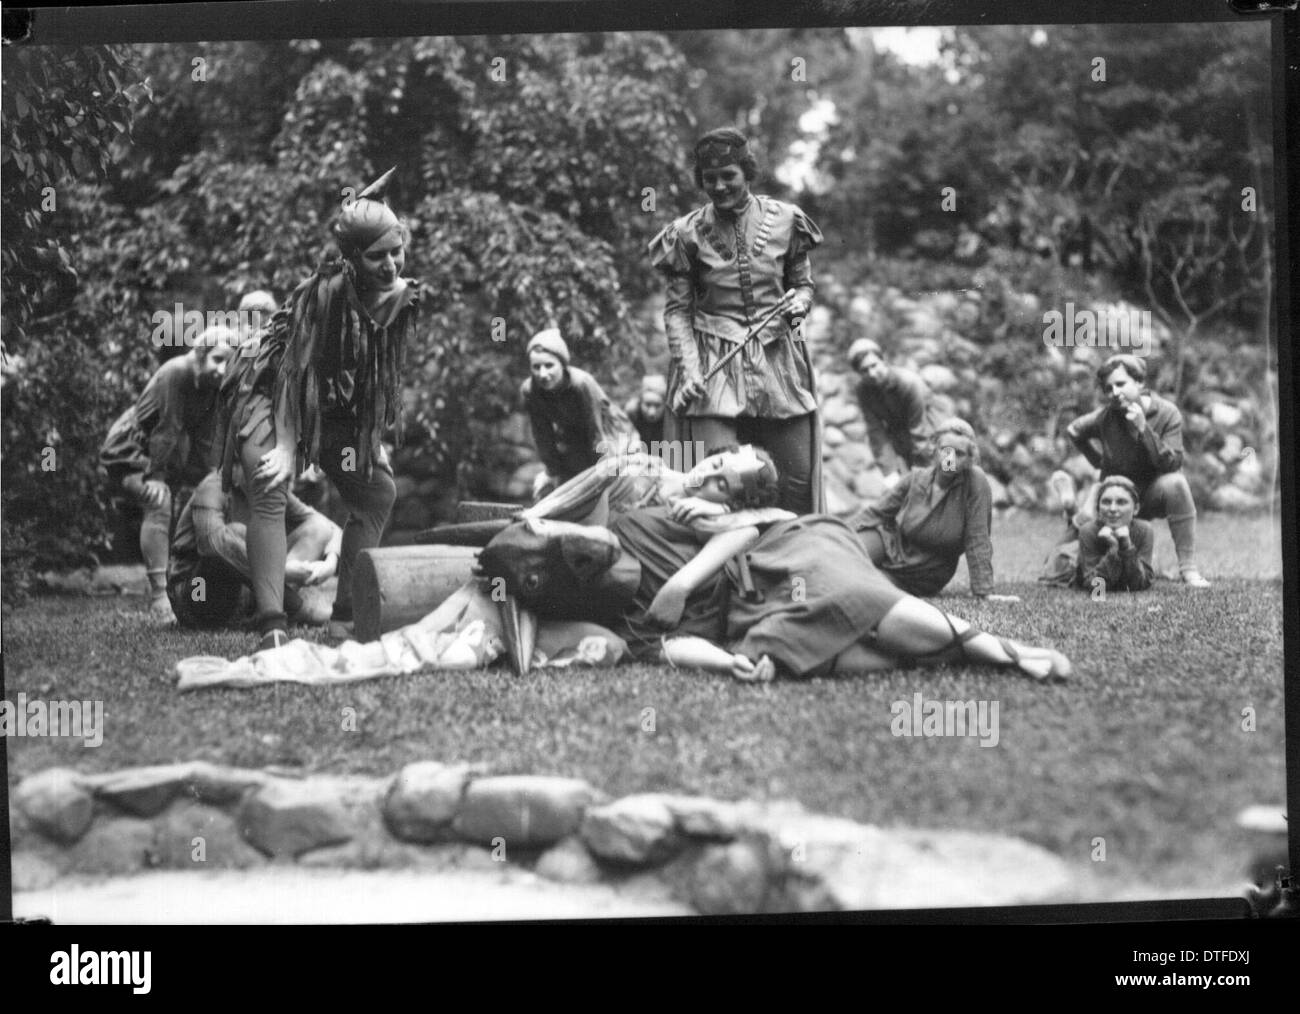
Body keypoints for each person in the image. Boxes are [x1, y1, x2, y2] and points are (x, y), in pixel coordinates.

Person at [479, 448, 1071, 684]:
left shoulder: (692, 507)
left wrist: (681, 583)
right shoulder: (638, 507)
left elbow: (739, 532)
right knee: (796, 649)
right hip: (745, 607)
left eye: (721, 479)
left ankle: (996, 648)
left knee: (842, 594)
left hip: (785, 557)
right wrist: (726, 662)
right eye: (713, 463)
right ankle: (976, 652)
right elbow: (660, 647)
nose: (706, 474)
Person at [216, 167, 422, 650]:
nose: (390, 265)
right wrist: (287, 446)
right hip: (267, 384)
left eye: (397, 252)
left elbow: (376, 374)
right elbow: (294, 371)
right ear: (351, 260)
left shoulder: (404, 297)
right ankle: (271, 624)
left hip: (324, 400)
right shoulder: (327, 295)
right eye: (377, 257)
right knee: (269, 481)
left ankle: (345, 618)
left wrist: (368, 436)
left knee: (376, 492)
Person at [649, 127, 826, 515]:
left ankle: (789, 565)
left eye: (728, 176)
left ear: (747, 172)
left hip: (777, 359)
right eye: (709, 179)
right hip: (713, 366)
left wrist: (800, 303)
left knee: (795, 480)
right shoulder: (685, 233)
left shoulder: (787, 220)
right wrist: (690, 369)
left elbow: (803, 285)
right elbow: (677, 311)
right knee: (720, 480)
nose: (719, 186)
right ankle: (724, 569)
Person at [101, 325, 237, 622]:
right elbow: (167, 429)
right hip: (131, 450)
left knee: (209, 495)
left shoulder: (213, 387)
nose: (222, 369)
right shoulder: (176, 372)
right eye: (217, 359)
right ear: (200, 354)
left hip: (166, 452)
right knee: (158, 500)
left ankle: (196, 587)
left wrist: (215, 479)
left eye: (229, 362)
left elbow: (205, 441)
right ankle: (159, 597)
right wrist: (157, 477)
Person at [1061, 353, 1210, 587]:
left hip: (1151, 493)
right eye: (1108, 389)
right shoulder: (1106, 416)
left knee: (1177, 484)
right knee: (1080, 540)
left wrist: (1144, 429)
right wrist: (1097, 460)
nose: (1115, 393)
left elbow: (1172, 464)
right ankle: (1078, 557)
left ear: (1140, 382)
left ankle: (1188, 569)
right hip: (1115, 500)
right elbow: (1074, 431)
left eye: (1121, 384)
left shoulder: (1167, 413)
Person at [846, 419, 1013, 600]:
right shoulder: (917, 478)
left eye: (960, 454)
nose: (951, 459)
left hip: (925, 569)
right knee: (843, 551)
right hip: (894, 544)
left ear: (970, 458)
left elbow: (978, 538)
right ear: (934, 449)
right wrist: (834, 532)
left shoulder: (975, 481)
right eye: (946, 451)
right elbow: (875, 513)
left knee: (861, 584)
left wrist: (984, 591)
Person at [167, 467, 341, 628]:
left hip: (243, 590)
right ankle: (292, 607)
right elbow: (212, 544)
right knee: (238, 533)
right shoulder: (215, 485)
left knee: (318, 529)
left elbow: (329, 527)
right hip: (196, 594)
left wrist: (331, 562)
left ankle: (268, 608)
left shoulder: (269, 485)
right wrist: (282, 571)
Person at [521, 328, 637, 500]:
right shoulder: (531, 390)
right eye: (536, 367)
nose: (543, 374)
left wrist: (602, 473)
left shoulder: (582, 384)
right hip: (574, 433)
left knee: (606, 484)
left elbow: (597, 431)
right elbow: (542, 434)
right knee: (564, 484)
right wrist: (551, 470)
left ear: (562, 364)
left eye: (549, 365)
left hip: (611, 432)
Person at [1040, 475, 1153, 593]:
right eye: (1106, 502)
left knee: (1082, 530)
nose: (1113, 508)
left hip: (1083, 550)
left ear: (1136, 509)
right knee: (1056, 562)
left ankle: (1077, 514)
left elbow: (1140, 584)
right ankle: (1075, 513)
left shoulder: (1144, 530)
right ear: (1098, 509)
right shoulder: (1088, 531)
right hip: (1068, 566)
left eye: (1121, 502)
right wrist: (1113, 549)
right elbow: (1095, 587)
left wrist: (1126, 546)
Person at [847, 337, 941, 478]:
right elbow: (876, 432)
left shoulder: (909, 383)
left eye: (874, 365)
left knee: (951, 480)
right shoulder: (864, 390)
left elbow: (920, 431)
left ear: (883, 360)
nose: (872, 374)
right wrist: (889, 472)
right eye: (864, 370)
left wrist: (922, 475)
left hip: (941, 438)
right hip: (907, 444)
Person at [624, 374, 667, 450]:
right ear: (640, 402)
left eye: (657, 405)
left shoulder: (671, 416)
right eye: (647, 405)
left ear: (665, 404)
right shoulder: (632, 411)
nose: (652, 413)